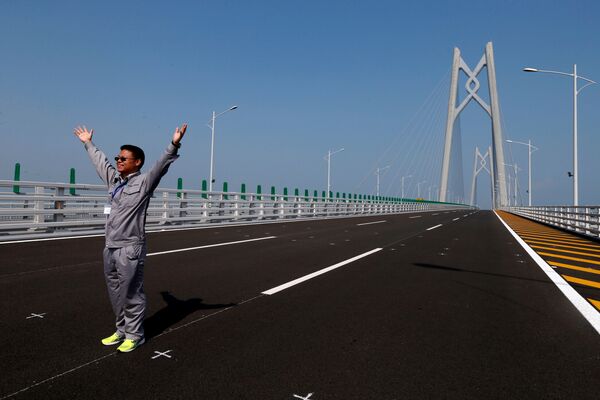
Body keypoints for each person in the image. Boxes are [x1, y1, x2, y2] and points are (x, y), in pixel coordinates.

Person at [73, 123, 188, 352]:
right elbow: (100, 162)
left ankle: (135, 335)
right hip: (110, 247)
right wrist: (88, 143)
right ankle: (122, 329)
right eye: (118, 157)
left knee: (131, 293)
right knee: (115, 293)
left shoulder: (144, 183)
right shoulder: (114, 182)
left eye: (124, 158)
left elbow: (161, 166)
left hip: (130, 248)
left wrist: (174, 143)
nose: (119, 161)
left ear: (137, 162)